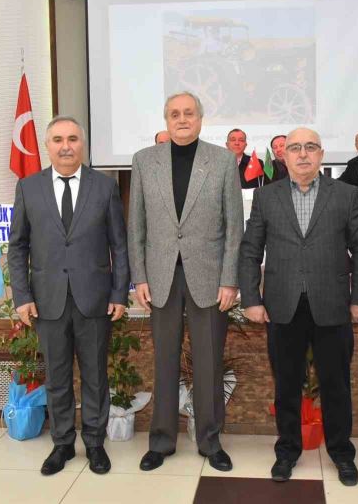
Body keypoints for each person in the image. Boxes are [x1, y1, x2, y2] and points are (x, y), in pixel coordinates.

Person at [239, 127, 358, 486]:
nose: (302, 154)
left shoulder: (344, 195)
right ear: (284, 155)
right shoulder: (266, 197)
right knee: (286, 385)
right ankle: (287, 451)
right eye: (295, 147)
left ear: (321, 154)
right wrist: (251, 299)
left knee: (336, 385)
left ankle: (342, 453)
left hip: (333, 305)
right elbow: (250, 250)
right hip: (282, 306)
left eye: (310, 147)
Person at [128, 91, 244, 472]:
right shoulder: (144, 161)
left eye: (189, 113)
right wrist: (139, 276)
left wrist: (230, 279)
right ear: (166, 120)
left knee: (208, 361)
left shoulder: (222, 161)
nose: (182, 119)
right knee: (164, 360)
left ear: (200, 119)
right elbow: (136, 226)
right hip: (160, 277)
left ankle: (210, 441)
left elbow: (234, 227)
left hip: (209, 278)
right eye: (175, 114)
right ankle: (161, 441)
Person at [8, 115, 129, 476]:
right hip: (47, 301)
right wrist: (22, 296)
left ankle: (94, 443)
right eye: (58, 139)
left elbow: (119, 245)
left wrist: (119, 292)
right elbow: (18, 247)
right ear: (47, 146)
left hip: (95, 299)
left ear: (83, 144)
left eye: (73, 139)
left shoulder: (104, 187)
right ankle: (62, 444)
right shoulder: (28, 188)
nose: (66, 146)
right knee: (57, 378)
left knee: (95, 376)